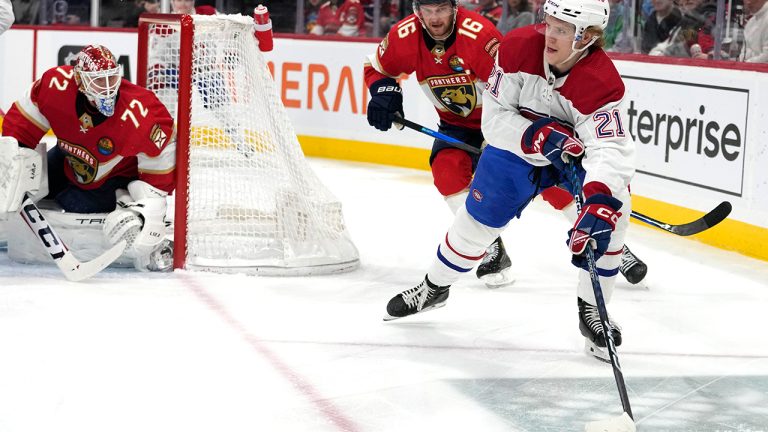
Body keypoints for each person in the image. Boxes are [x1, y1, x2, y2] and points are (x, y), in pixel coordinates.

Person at [384, 0, 637, 363]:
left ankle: (593, 312)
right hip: (517, 149)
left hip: (573, 157)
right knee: (473, 224)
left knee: (613, 217)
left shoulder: (602, 81)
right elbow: (495, 117)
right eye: (549, 23)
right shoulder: (518, 46)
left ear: (589, 37)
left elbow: (610, 149)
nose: (550, 34)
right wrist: (533, 135)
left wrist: (599, 199)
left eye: (563, 30)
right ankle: (433, 287)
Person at [364, 0, 515, 287]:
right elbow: (376, 68)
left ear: (455, 8)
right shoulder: (404, 35)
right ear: (417, 9)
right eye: (428, 10)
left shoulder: (479, 35)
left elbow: (514, 89)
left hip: (501, 121)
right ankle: (490, 246)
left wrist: (503, 136)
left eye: (442, 9)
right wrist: (385, 93)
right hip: (457, 126)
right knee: (446, 171)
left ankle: (609, 247)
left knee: (552, 184)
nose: (435, 18)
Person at [0, 45, 176, 271]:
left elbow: (162, 160)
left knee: (75, 206)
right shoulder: (56, 85)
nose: (108, 88)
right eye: (99, 81)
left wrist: (148, 208)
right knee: (22, 185)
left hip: (112, 179)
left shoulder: (140, 111)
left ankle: (120, 204)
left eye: (112, 78)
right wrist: (15, 157)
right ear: (80, 80)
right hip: (66, 160)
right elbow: (23, 122)